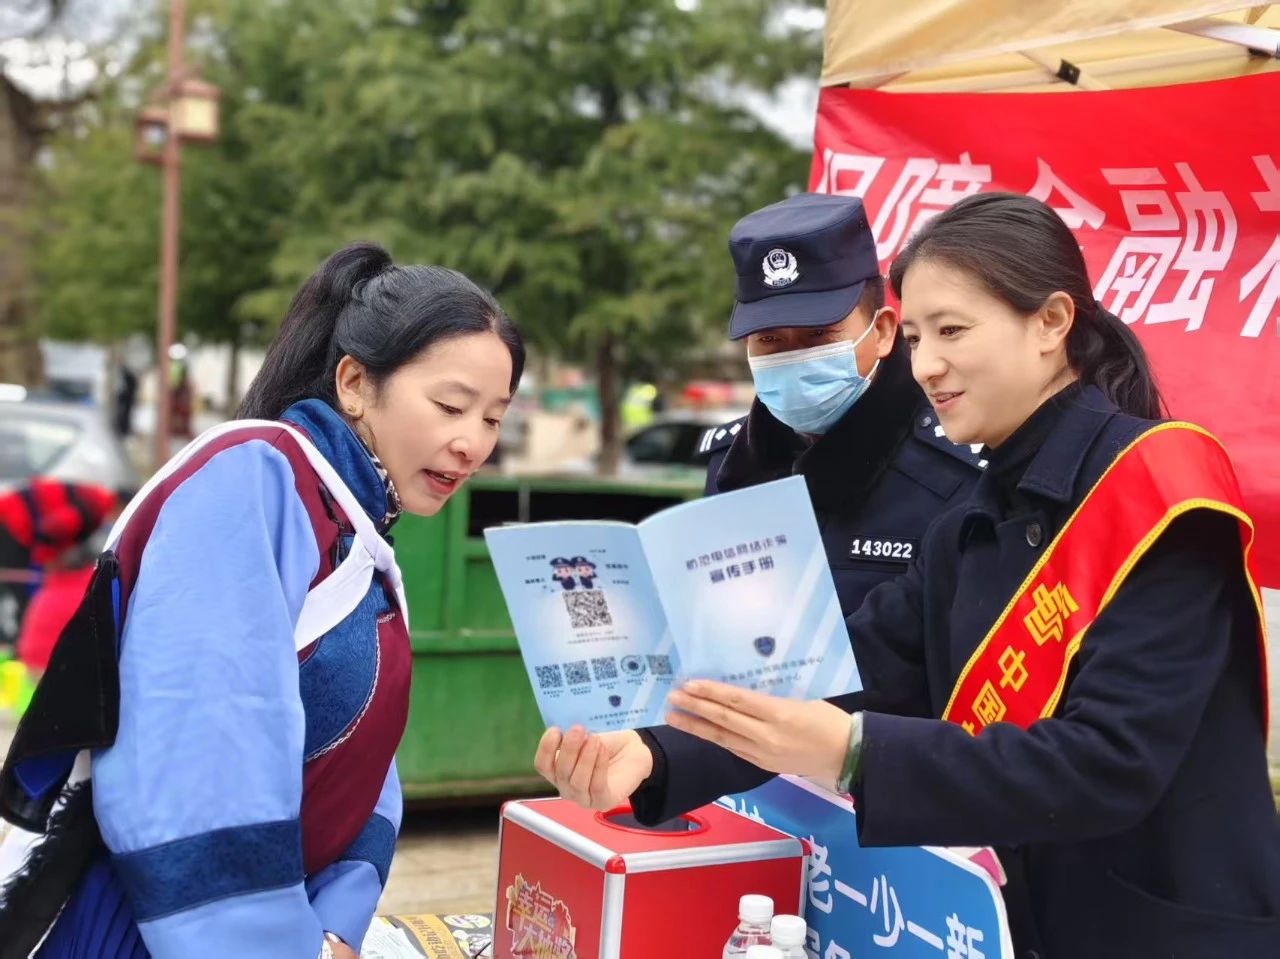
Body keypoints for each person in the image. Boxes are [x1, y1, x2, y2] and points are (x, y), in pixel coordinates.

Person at [539, 193, 1280, 957]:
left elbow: (1106, 763)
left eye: (953, 331)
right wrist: (655, 754)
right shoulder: (973, 518)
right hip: (1021, 924)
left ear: (1052, 323)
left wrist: (852, 750)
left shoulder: (1158, 494)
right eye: (919, 335)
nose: (925, 365)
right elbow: (842, 670)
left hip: (1165, 927)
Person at [0, 242, 523, 959]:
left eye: (493, 418)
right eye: (450, 405)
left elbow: (366, 760)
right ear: (354, 383)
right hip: (157, 930)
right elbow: (200, 754)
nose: (472, 443)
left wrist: (337, 924)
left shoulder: (355, 526)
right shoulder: (253, 481)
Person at [534, 192, 982, 826]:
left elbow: (890, 662)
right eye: (771, 340)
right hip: (750, 809)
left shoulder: (958, 473)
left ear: (882, 331)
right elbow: (718, 654)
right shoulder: (736, 465)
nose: (794, 358)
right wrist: (639, 740)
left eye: (819, 335)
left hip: (900, 826)